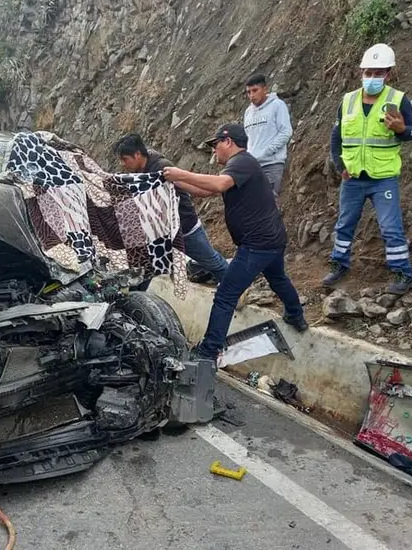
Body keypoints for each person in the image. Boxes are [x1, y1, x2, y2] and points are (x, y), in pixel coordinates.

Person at [163, 123, 308, 365]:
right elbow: (206, 191)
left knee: (226, 294)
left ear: (228, 142)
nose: (213, 151)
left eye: (215, 144)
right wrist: (175, 183)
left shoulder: (242, 162)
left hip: (257, 245)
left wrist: (179, 174)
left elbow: (217, 185)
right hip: (271, 240)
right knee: (278, 278)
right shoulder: (241, 167)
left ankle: (209, 351)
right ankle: (296, 315)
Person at [323, 43, 412, 295]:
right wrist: (340, 164)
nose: (373, 78)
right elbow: (337, 137)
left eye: (379, 73)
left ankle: (402, 272)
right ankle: (339, 264)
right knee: (345, 223)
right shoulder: (348, 100)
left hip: (383, 177)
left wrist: (401, 130)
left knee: (390, 226)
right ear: (361, 72)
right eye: (369, 72)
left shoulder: (397, 100)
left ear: (388, 74)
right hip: (353, 176)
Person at [114, 133, 229, 287]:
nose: (123, 163)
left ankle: (235, 288)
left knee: (212, 262)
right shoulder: (137, 173)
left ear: (137, 154)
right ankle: (139, 304)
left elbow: (192, 188)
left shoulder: (162, 168)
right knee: (144, 270)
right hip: (159, 234)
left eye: (125, 159)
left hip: (184, 228)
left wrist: (215, 187)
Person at [243, 73, 293, 196]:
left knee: (270, 203)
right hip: (252, 167)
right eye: (248, 92)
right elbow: (247, 138)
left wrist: (267, 152)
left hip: (271, 165)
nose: (251, 95)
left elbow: (286, 132)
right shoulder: (248, 112)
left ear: (265, 89)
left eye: (255, 90)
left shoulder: (277, 105)